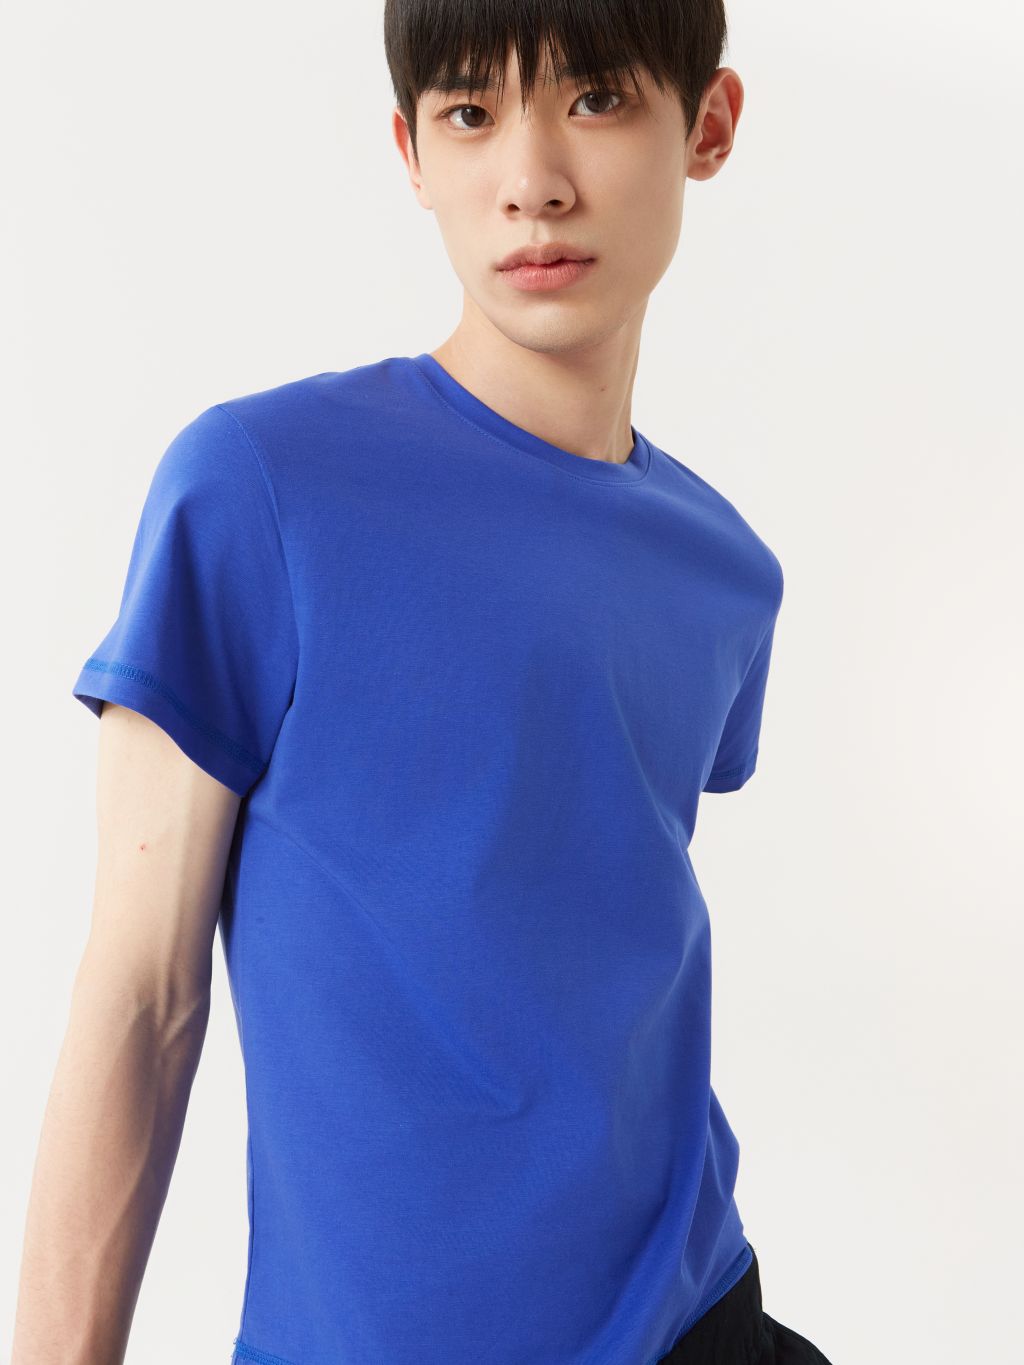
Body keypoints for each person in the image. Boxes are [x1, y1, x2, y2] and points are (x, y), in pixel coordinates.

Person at [11, 2, 835, 1362]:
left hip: (695, 1321)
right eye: (470, 114)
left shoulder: (725, 569)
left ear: (709, 124)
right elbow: (142, 999)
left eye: (596, 99)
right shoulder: (261, 491)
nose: (532, 179)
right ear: (410, 151)